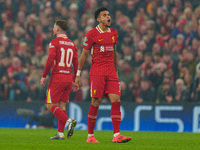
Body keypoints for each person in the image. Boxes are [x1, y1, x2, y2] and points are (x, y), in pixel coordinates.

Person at [75, 7, 132, 143]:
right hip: (97, 71)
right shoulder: (91, 34)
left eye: (108, 15)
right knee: (96, 102)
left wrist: (116, 70)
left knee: (116, 100)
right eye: (105, 15)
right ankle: (90, 136)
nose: (108, 17)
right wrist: (77, 73)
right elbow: (83, 55)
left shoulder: (114, 33)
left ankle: (117, 135)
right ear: (98, 19)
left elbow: (114, 52)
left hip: (111, 71)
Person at [40, 20, 78, 140]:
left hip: (57, 77)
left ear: (57, 29)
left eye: (54, 27)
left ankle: (69, 121)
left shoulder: (54, 42)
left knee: (50, 106)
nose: (52, 29)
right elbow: (76, 62)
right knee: (62, 106)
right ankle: (61, 133)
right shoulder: (72, 44)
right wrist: (76, 78)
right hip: (68, 77)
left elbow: (50, 59)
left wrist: (44, 75)